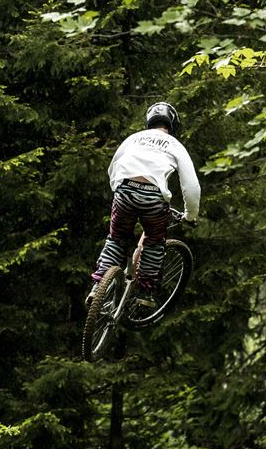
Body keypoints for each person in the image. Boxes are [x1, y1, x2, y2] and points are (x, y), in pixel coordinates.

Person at [86, 101, 201, 308]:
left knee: (116, 240)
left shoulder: (133, 138)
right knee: (154, 243)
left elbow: (113, 168)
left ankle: (98, 287)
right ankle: (145, 293)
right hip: (153, 199)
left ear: (149, 121)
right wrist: (190, 215)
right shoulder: (174, 145)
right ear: (173, 124)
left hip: (124, 192)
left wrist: (119, 191)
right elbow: (191, 186)